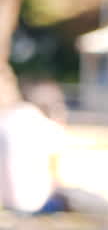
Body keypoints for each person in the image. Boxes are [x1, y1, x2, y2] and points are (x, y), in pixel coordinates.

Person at [0, 83, 68, 215]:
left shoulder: (5, 120)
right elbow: (56, 178)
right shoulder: (49, 127)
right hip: (37, 205)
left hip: (6, 202)